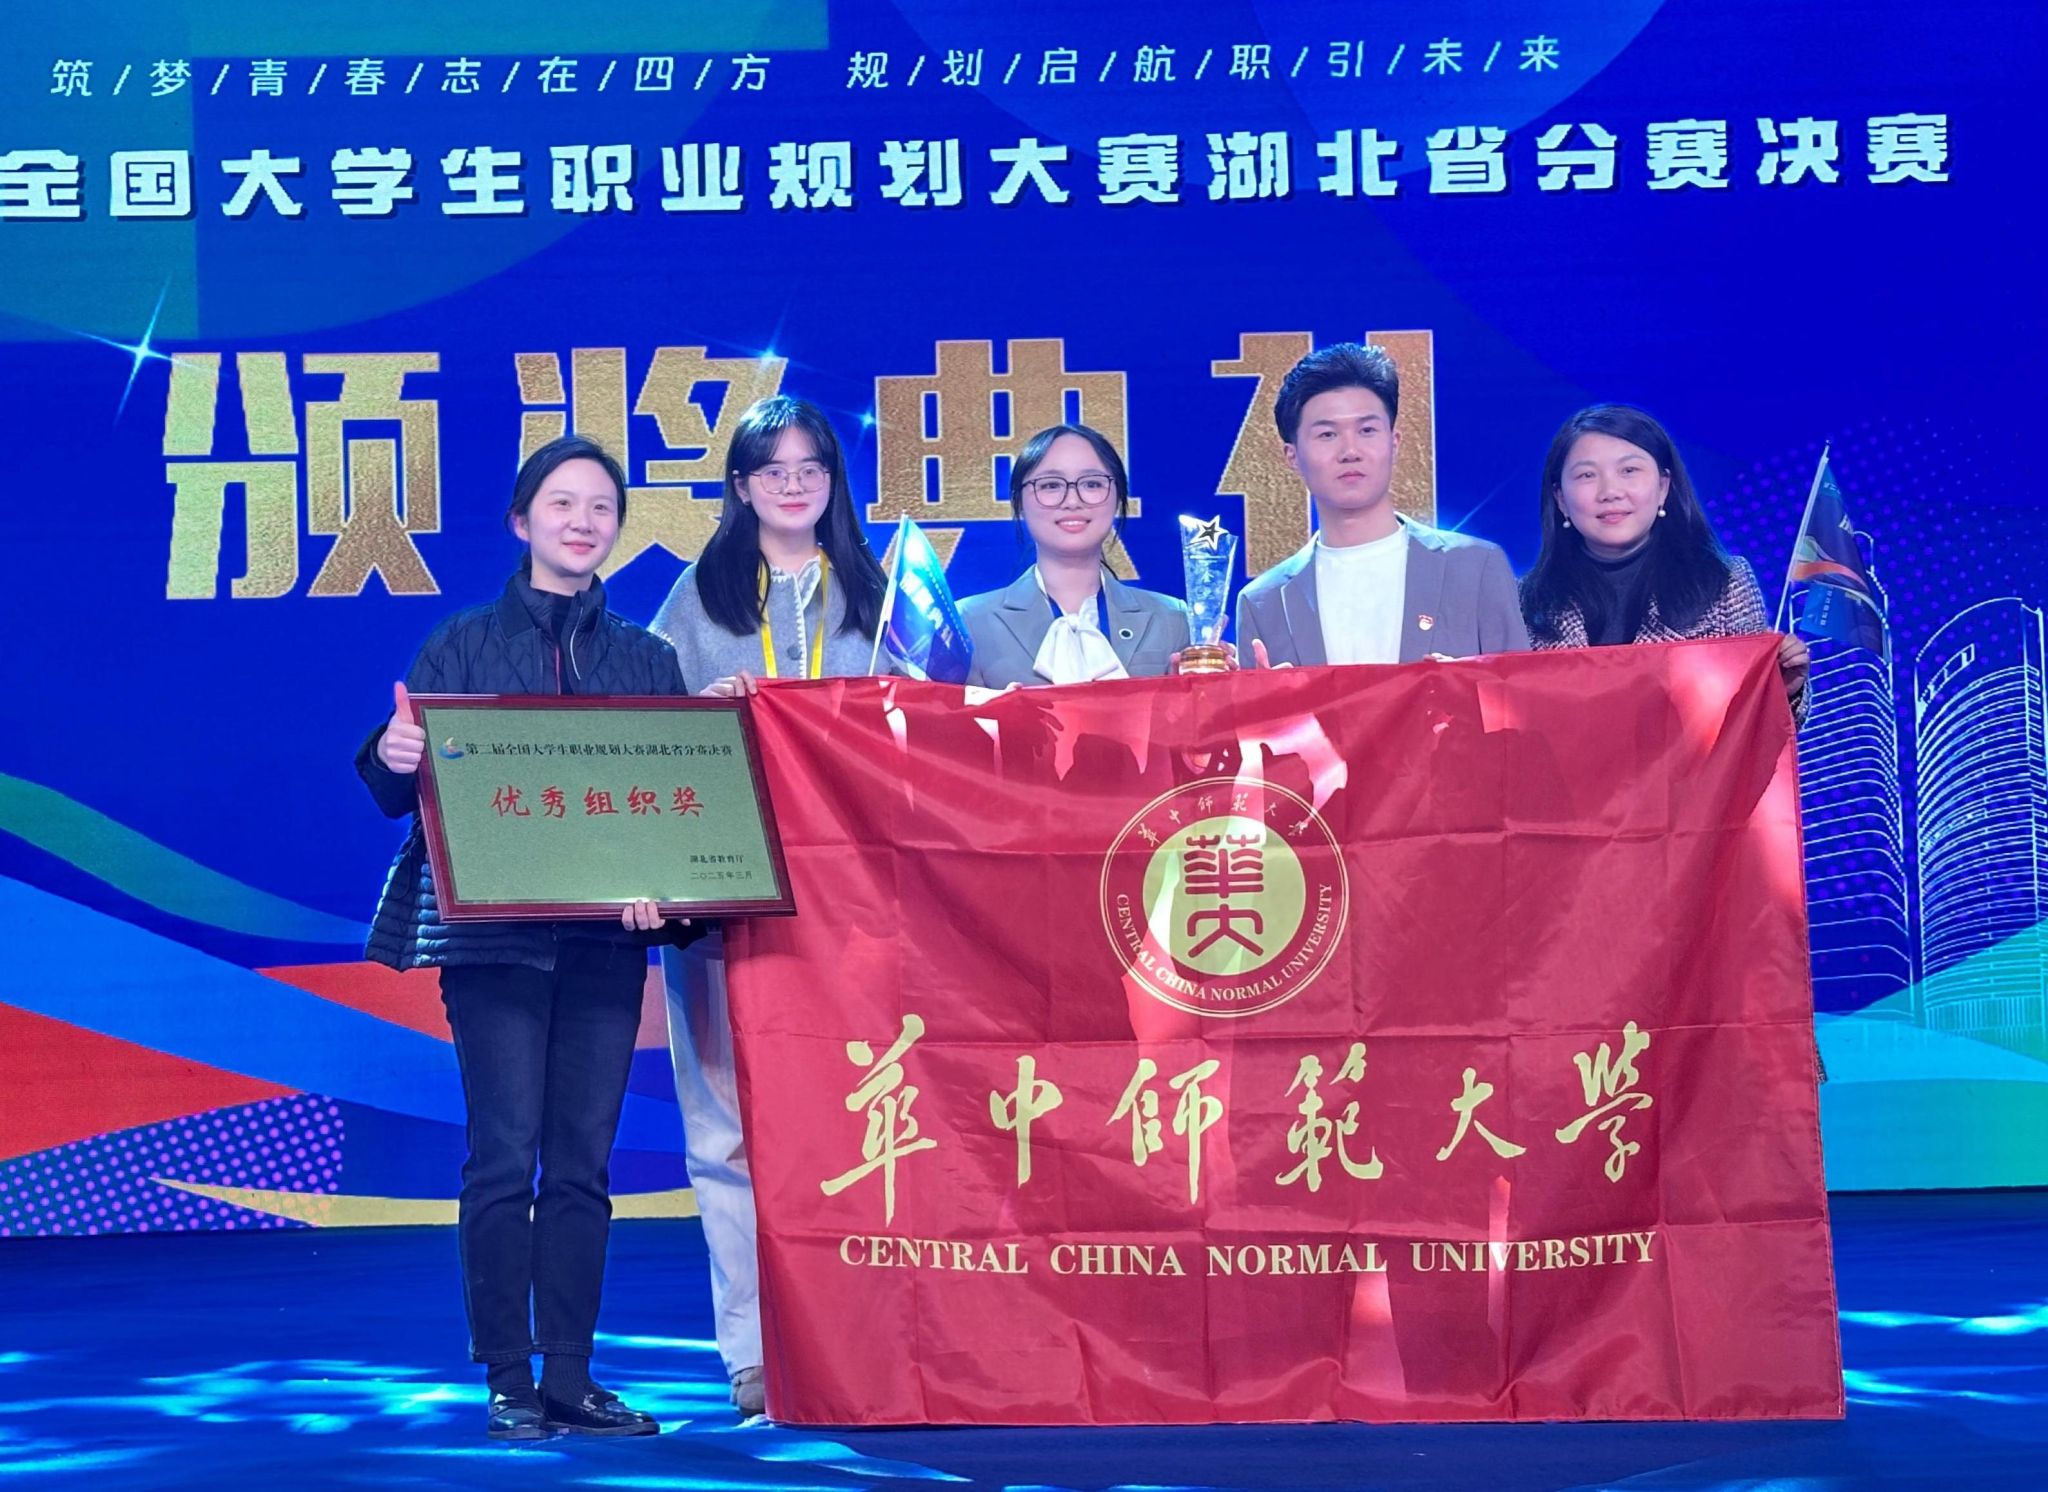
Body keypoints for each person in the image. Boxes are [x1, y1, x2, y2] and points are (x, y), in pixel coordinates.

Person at [357, 435, 695, 1440]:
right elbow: (394, 790)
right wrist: (392, 750)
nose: (582, 522)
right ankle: (508, 1377)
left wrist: (666, 898)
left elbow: (680, 808)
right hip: (490, 943)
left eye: (601, 507)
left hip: (602, 945)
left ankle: (572, 1377)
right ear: (521, 521)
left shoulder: (647, 659)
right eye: (561, 503)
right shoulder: (460, 643)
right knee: (503, 1156)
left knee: (583, 1165)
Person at [647, 395, 896, 1416]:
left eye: (811, 468)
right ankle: (751, 1352)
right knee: (724, 1130)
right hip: (724, 899)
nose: (793, 485)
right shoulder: (695, 599)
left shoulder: (878, 594)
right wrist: (699, 718)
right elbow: (648, 740)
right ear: (741, 487)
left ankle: (858, 1339)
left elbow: (930, 730)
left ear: (832, 481)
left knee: (859, 1117)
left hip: (857, 910)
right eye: (771, 469)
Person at [1235, 342, 1529, 666]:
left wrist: (1463, 685)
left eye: (1367, 430)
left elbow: (1519, 692)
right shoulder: (1263, 603)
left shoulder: (1476, 568)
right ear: (1291, 456)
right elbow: (1256, 702)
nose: (1350, 451)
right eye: (1327, 435)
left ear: (1394, 442)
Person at [1517, 403, 1810, 713]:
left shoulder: (1723, 582)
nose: (1610, 491)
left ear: (1663, 486)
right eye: (1587, 475)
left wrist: (1783, 691)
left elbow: (1751, 722)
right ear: (1560, 498)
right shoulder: (1523, 603)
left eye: (1629, 471)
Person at [958, 423, 1192, 686]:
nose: (1072, 501)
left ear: (1118, 498)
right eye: (1050, 485)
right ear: (1019, 501)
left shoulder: (1172, 618)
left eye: (1092, 484)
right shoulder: (967, 622)